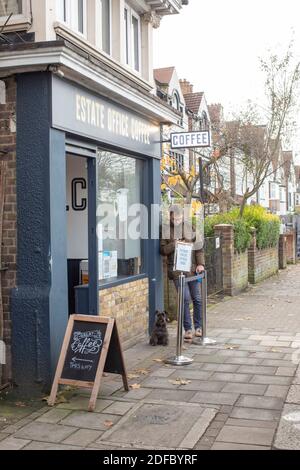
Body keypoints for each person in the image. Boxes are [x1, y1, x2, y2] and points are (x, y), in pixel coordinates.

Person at [160, 205, 205, 341]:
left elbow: (199, 248)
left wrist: (201, 264)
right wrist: (174, 244)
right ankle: (188, 329)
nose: (178, 221)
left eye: (180, 218)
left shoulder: (189, 227)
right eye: (175, 219)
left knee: (197, 298)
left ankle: (198, 327)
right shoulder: (165, 229)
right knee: (184, 299)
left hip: (191, 269)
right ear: (170, 216)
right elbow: (162, 250)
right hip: (176, 271)